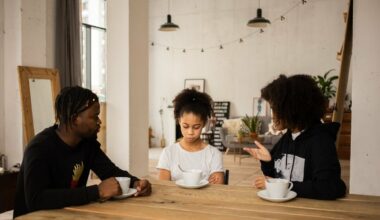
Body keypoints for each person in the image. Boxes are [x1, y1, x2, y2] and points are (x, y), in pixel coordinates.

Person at [14, 86, 152, 218]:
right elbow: (36, 199)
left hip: (68, 215)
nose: (99, 122)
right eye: (94, 117)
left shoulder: (87, 144)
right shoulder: (39, 148)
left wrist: (136, 183)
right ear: (75, 120)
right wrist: (96, 192)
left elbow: (110, 171)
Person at [244, 74, 346, 200]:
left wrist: (285, 186)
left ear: (292, 107)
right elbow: (275, 177)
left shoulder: (320, 141)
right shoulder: (288, 137)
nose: (273, 115)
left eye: (275, 108)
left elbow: (330, 187)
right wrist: (268, 162)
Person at [157, 89, 224, 184]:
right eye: (185, 126)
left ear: (204, 123)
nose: (190, 132)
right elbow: (163, 187)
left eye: (196, 127)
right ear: (179, 121)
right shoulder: (168, 153)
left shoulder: (213, 154)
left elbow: (218, 188)